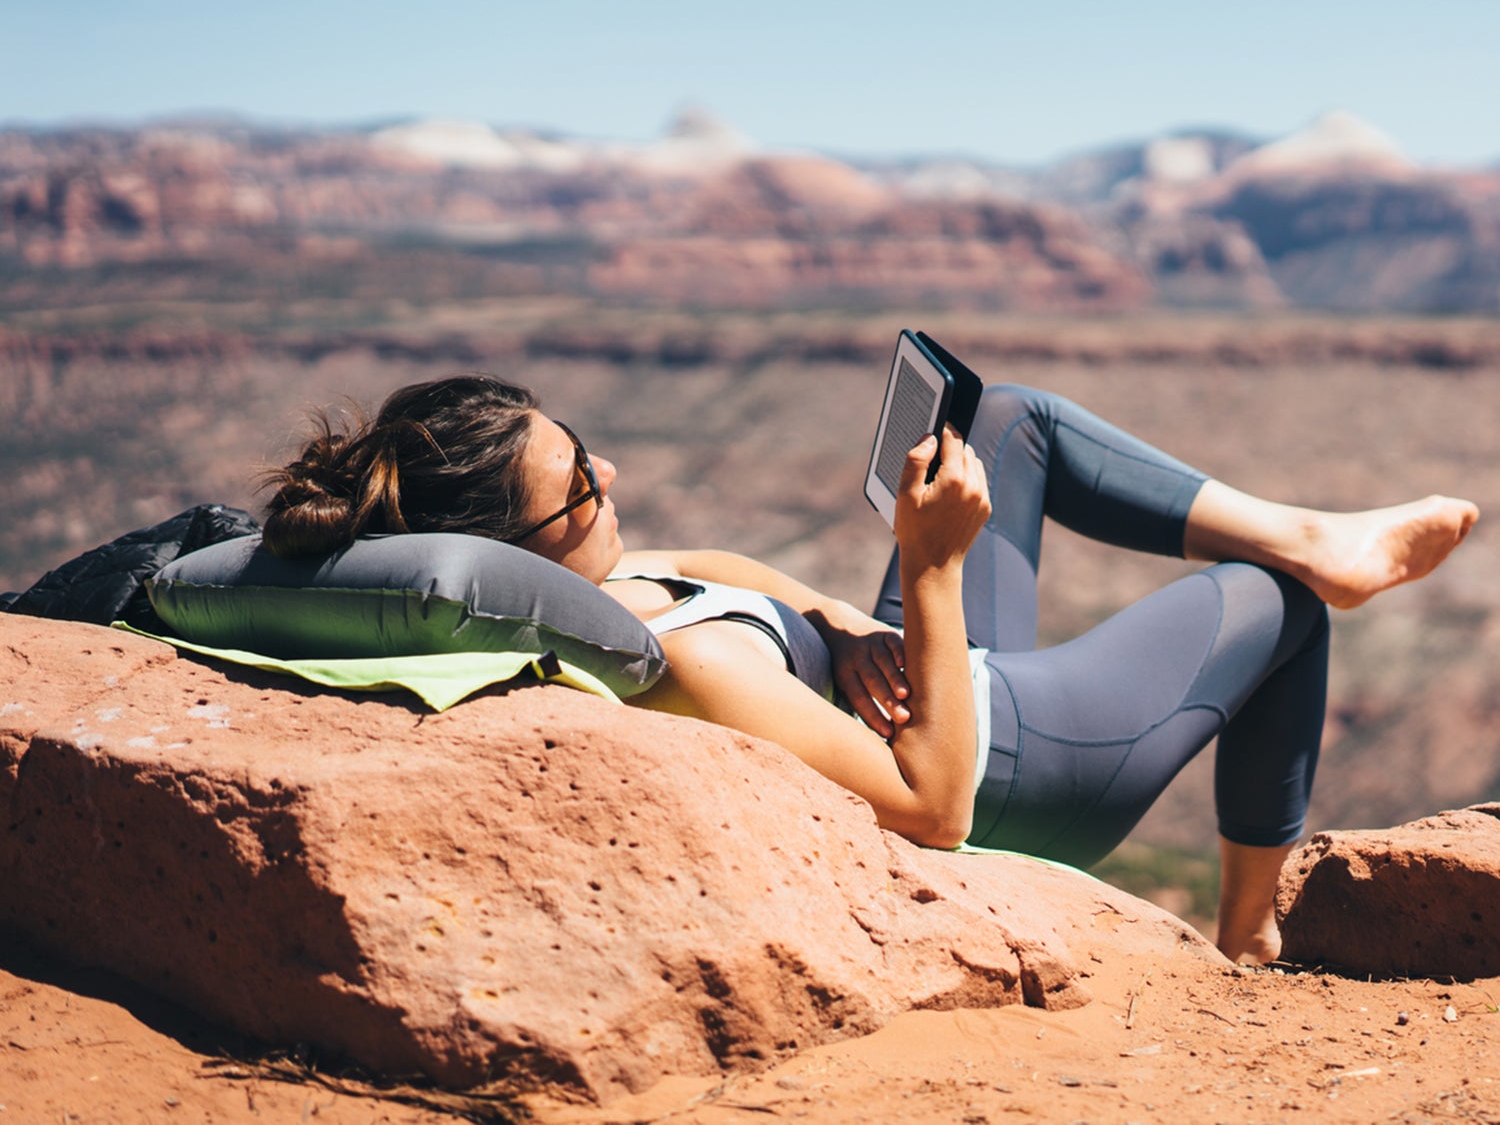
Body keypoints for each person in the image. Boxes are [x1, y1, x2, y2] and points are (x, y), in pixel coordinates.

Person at [261, 373, 1478, 966]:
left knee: (1009, 420)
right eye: (582, 486)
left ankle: (1309, 526)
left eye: (588, 451)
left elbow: (731, 565)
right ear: (510, 550)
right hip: (1007, 762)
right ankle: (1250, 934)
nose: (614, 479)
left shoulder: (608, 592)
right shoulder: (680, 661)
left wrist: (848, 620)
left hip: (914, 673)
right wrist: (930, 572)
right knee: (1284, 613)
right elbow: (934, 810)